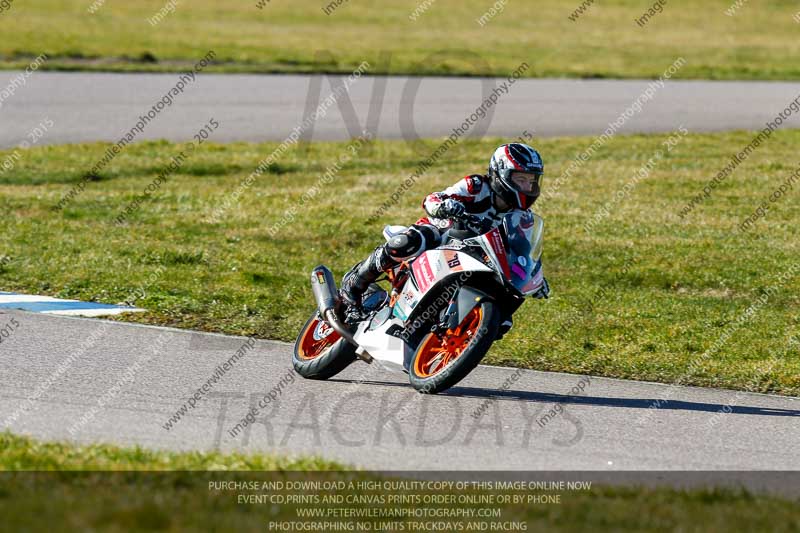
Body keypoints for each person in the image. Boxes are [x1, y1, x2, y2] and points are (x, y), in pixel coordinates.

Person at [340, 142, 550, 324]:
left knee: (505, 307)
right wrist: (445, 206)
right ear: (500, 173)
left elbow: (522, 250)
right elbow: (432, 199)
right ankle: (355, 284)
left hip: (475, 256)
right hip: (443, 234)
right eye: (520, 179)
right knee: (407, 242)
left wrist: (533, 277)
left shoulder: (522, 218)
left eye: (531, 181)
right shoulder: (476, 186)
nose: (527, 186)